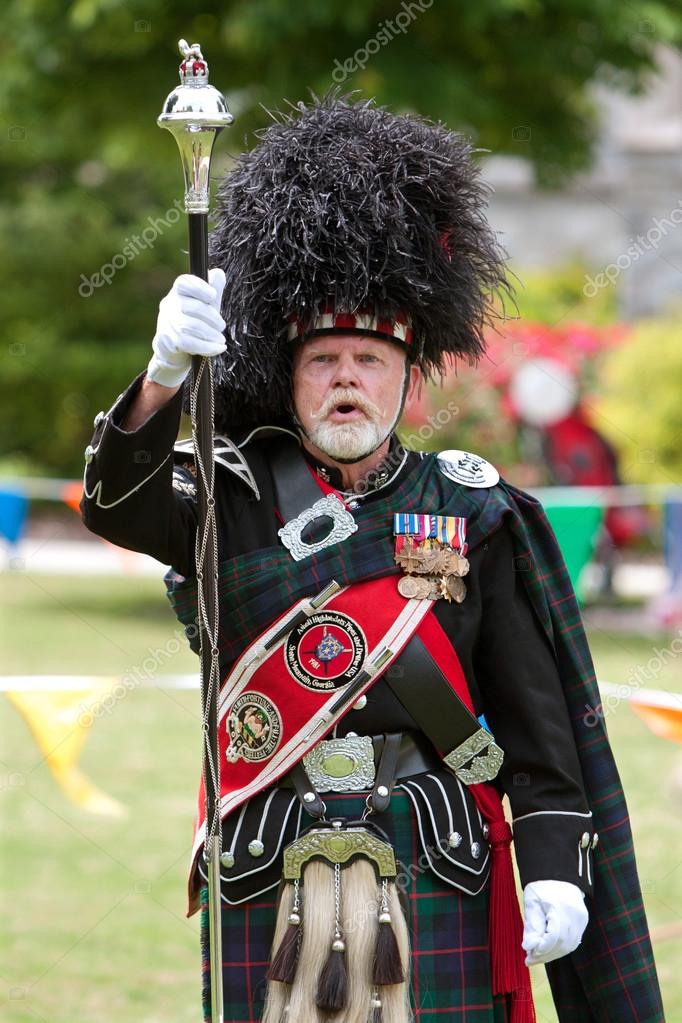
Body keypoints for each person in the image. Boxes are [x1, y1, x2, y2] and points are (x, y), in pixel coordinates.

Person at [81, 93, 663, 1023]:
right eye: (324, 360)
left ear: (407, 374)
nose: (347, 378)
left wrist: (555, 865)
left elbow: (540, 729)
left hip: (440, 860)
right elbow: (116, 506)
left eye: (368, 359)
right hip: (272, 855)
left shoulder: (474, 509)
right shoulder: (231, 496)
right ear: (287, 371)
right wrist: (161, 377)